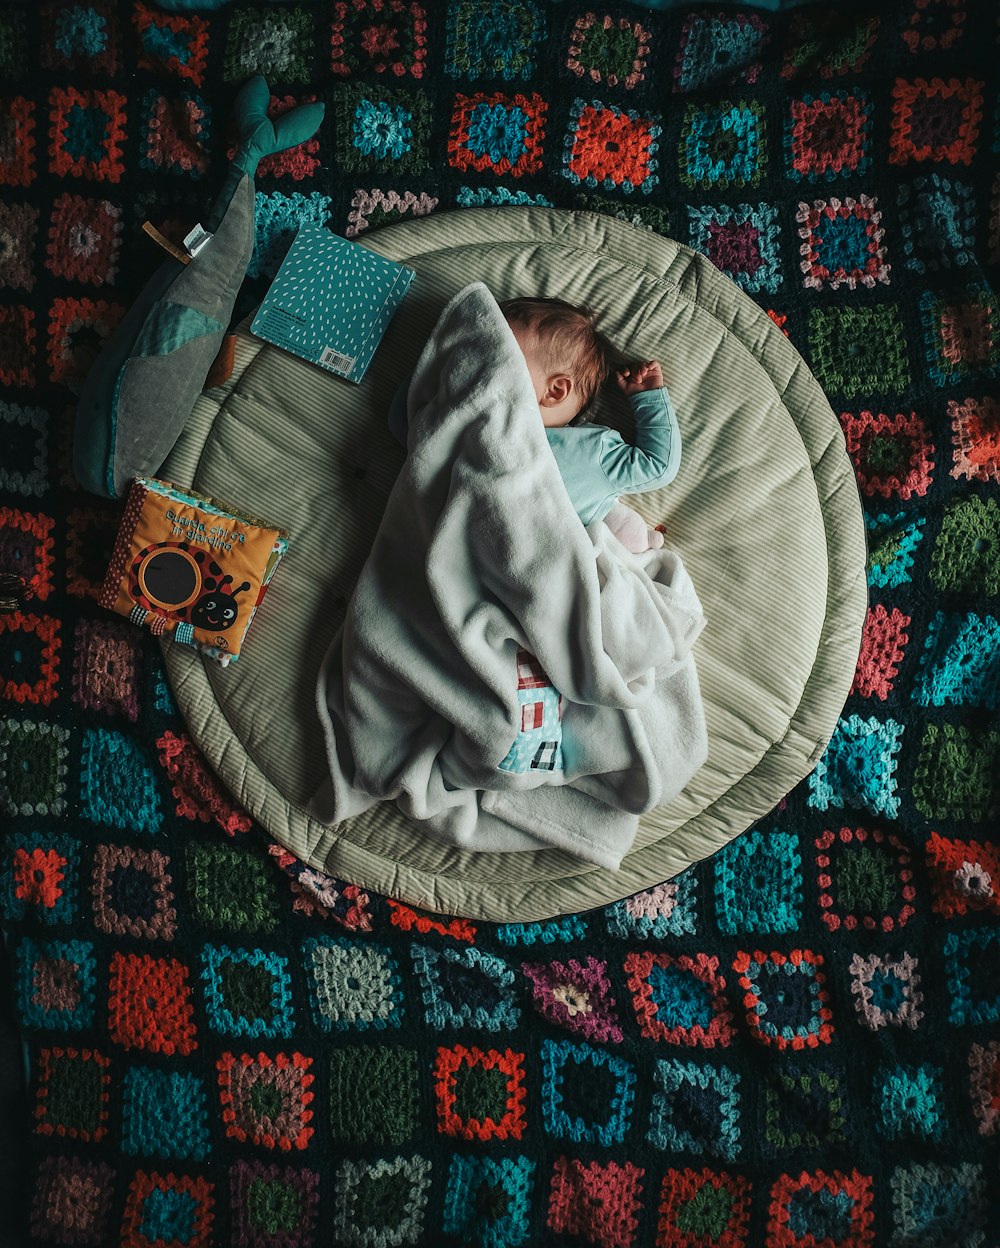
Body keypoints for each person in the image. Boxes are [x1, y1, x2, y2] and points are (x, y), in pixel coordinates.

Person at [388, 295, 681, 551]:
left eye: (494, 359)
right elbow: (408, 425)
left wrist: (647, 398)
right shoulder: (469, 423)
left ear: (555, 391)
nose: (477, 365)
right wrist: (444, 367)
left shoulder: (590, 452)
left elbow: (658, 465)